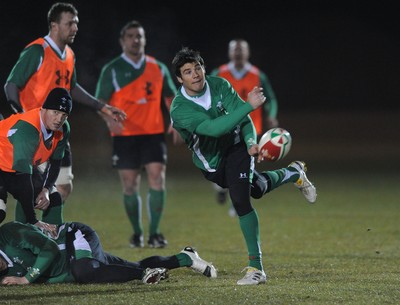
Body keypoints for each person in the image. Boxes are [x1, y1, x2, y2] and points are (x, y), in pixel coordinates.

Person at [170, 47, 317, 285]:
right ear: (180, 78)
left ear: (204, 67)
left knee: (240, 199)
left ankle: (256, 269)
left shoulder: (219, 85)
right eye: (188, 71)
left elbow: (244, 120)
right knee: (255, 188)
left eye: (198, 67)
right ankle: (293, 173)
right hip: (211, 164)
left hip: (238, 147)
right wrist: (248, 105)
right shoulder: (179, 108)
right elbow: (214, 129)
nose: (195, 74)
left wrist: (250, 142)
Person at [3, 2, 126, 219]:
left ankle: (42, 230)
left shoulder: (69, 54)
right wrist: (20, 114)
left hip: (58, 132)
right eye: (70, 23)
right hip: (34, 133)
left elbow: (72, 87)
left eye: (76, 23)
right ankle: (27, 233)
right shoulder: (37, 51)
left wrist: (102, 106)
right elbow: (11, 84)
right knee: (32, 189)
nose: (75, 28)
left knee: (62, 187)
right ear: (54, 25)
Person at [95, 20, 178, 249]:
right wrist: (109, 119)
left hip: (152, 132)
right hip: (125, 134)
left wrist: (176, 120)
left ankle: (154, 233)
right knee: (130, 185)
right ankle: (137, 233)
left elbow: (171, 98)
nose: (136, 40)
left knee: (157, 179)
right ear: (122, 41)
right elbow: (99, 101)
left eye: (139, 36)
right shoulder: (111, 69)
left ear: (144, 40)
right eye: (131, 36)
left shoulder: (157, 67)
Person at [0, 220, 217, 285]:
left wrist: (26, 280)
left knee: (84, 271)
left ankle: (143, 276)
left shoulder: (9, 233)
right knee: (128, 266)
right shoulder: (4, 276)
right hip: (73, 261)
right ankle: (184, 258)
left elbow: (49, 248)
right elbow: (54, 277)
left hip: (74, 236)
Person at [210, 39, 279, 209]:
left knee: (246, 165)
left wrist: (271, 114)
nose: (238, 53)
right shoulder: (219, 73)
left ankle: (238, 201)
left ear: (248, 53)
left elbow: (271, 99)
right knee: (221, 165)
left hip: (250, 129)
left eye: (242, 50)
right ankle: (221, 188)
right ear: (229, 52)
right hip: (225, 128)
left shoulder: (258, 75)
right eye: (235, 50)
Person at [0, 87, 73, 236]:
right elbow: (23, 178)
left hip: (14, 169)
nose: (59, 119)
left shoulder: (62, 129)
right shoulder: (28, 130)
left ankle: (55, 250)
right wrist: (34, 220)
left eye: (64, 115)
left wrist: (46, 189)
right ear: (44, 109)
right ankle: (18, 244)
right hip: (5, 168)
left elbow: (56, 162)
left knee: (52, 198)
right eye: (56, 112)